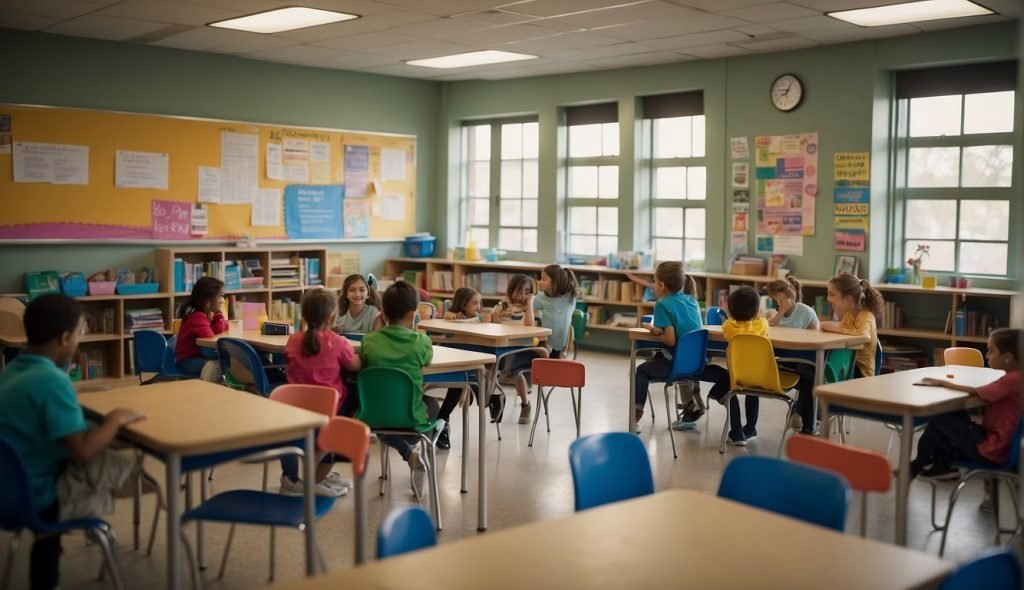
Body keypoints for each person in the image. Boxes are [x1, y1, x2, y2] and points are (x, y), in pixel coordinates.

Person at [0, 294, 146, 590]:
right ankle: (91, 514)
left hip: (9, 488)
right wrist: (115, 420)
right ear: (65, 338)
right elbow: (83, 452)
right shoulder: (52, 382)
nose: (82, 339)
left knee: (101, 437)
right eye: (80, 333)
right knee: (132, 455)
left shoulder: (12, 371)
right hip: (41, 496)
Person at [280, 288, 361, 497]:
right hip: (327, 413)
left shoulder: (293, 340)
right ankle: (314, 482)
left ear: (304, 315)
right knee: (352, 399)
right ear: (332, 316)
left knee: (292, 439)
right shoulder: (337, 342)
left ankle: (290, 479)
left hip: (293, 409)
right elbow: (354, 365)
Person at [909, 328, 1020, 480]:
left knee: (940, 418)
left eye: (991, 351)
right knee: (951, 415)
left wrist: (941, 382)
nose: (987, 355)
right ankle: (940, 466)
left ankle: (918, 464)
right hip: (997, 445)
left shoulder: (1013, 380)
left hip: (990, 449)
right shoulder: (1016, 378)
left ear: (1007, 357)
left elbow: (976, 392)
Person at [358, 281, 435, 497]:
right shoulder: (421, 341)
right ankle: (419, 447)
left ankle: (409, 452)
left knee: (381, 411)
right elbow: (427, 362)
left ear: (382, 313)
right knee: (433, 404)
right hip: (411, 417)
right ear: (412, 315)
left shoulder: (369, 341)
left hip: (373, 417)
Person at [694, 286, 770, 445]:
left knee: (726, 387)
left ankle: (737, 432)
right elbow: (762, 321)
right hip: (759, 377)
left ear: (730, 311)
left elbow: (727, 325)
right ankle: (750, 429)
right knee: (752, 391)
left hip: (736, 377)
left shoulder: (729, 328)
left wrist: (730, 318)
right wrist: (759, 317)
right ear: (757, 312)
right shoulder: (762, 325)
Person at [633, 261, 702, 431]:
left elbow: (670, 341)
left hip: (675, 364)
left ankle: (635, 417)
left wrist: (650, 329)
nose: (654, 286)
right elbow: (679, 331)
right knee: (658, 359)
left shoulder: (662, 304)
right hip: (694, 364)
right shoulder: (691, 300)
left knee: (641, 371)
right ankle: (690, 407)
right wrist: (657, 330)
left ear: (662, 285)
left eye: (654, 282)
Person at [763, 276, 820, 434]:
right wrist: (780, 312)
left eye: (775, 298)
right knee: (809, 378)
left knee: (807, 375)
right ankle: (807, 417)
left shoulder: (806, 311)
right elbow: (767, 331)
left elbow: (815, 339)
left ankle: (806, 422)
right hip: (780, 361)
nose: (775, 301)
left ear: (781, 296)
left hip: (803, 360)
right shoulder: (772, 314)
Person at [435, 287, 484, 449]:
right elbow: (446, 317)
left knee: (465, 382)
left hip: (472, 364)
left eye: (480, 303)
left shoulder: (480, 319)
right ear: (463, 305)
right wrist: (451, 317)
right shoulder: (452, 317)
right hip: (453, 363)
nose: (479, 307)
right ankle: (441, 422)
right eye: (475, 303)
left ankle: (442, 421)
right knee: (459, 384)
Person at [489, 274, 538, 424]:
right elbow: (493, 325)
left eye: (526, 292)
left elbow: (530, 327)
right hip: (503, 348)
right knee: (488, 368)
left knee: (518, 374)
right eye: (518, 291)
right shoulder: (503, 305)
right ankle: (494, 398)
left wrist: (529, 304)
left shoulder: (529, 309)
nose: (521, 296)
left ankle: (525, 405)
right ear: (510, 290)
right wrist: (495, 317)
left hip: (522, 350)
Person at [821, 273, 883, 378]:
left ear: (848, 299)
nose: (828, 299)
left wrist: (835, 329)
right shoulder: (849, 315)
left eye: (831, 294)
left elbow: (864, 336)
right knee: (811, 368)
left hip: (860, 371)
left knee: (814, 371)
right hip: (846, 365)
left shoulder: (866, 316)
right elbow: (841, 333)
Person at [174, 276, 228, 382]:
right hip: (187, 362)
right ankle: (206, 390)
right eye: (220, 296)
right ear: (207, 302)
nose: (222, 301)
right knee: (217, 365)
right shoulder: (197, 317)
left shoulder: (204, 315)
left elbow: (219, 328)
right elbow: (209, 337)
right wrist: (220, 317)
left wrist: (218, 318)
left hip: (197, 357)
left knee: (224, 362)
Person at [534, 264, 580, 359]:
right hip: (545, 342)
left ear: (555, 282)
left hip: (558, 344)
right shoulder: (541, 297)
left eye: (544, 279)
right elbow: (528, 307)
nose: (539, 282)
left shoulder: (569, 297)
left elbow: (574, 287)